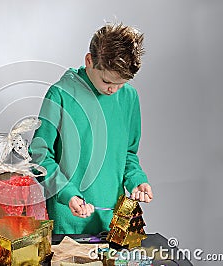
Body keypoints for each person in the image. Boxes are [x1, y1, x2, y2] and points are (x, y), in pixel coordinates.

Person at [29, 23, 153, 234]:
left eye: (121, 84)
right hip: (69, 223)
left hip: (113, 221)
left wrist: (136, 180)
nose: (113, 90)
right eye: (107, 81)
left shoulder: (129, 97)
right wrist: (67, 193)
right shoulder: (61, 94)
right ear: (89, 61)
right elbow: (40, 156)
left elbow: (128, 154)